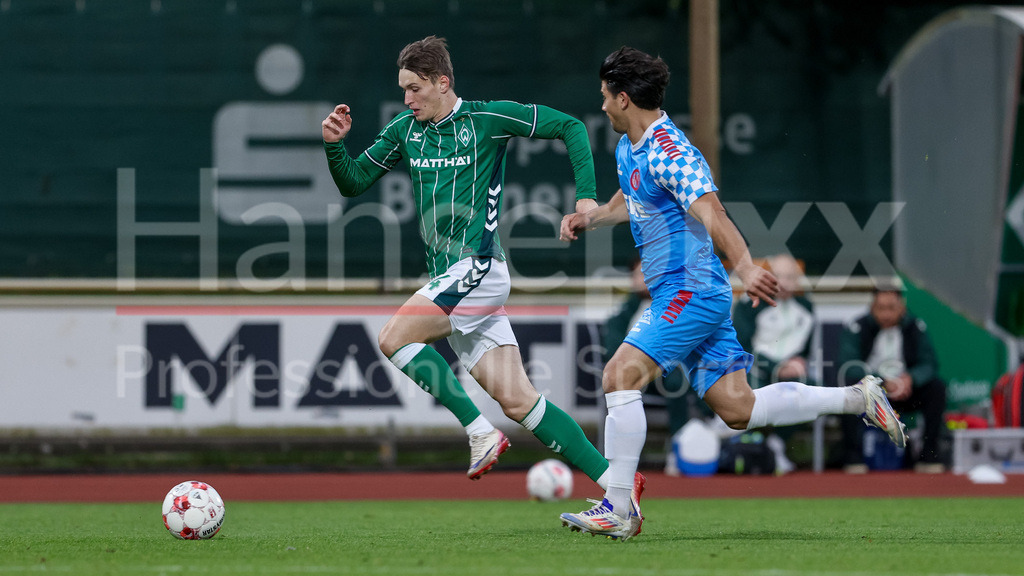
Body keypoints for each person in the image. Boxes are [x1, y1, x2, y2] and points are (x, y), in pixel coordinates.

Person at [557, 46, 907, 540]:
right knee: (738, 409)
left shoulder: (672, 152)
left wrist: (744, 265)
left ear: (624, 99)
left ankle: (618, 506)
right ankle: (857, 399)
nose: (601, 106)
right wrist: (591, 216)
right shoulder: (630, 148)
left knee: (619, 376)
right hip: (690, 295)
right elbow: (630, 196)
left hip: (691, 291)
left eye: (604, 98)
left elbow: (714, 214)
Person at [321, 36, 637, 498]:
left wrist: (586, 195)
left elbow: (570, 126)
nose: (407, 99)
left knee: (393, 337)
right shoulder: (404, 132)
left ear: (442, 82)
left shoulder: (487, 119)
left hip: (479, 268)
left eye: (414, 89)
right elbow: (353, 183)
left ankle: (478, 431)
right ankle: (619, 488)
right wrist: (334, 146)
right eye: (403, 89)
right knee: (518, 400)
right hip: (453, 282)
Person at [837, 286, 948, 473]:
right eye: (881, 308)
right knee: (849, 388)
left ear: (902, 308)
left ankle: (928, 456)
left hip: (906, 392)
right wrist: (881, 381)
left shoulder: (915, 327)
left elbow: (929, 363)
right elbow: (849, 365)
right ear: (872, 308)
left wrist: (911, 379)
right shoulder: (858, 327)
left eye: (891, 308)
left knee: (936, 388)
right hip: (871, 394)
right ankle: (853, 457)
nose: (886, 314)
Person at [732, 253, 817, 472]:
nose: (785, 283)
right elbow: (742, 348)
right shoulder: (749, 303)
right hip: (755, 370)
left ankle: (777, 445)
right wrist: (777, 367)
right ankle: (750, 447)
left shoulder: (807, 307)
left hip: (792, 374)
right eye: (779, 276)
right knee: (746, 387)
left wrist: (797, 363)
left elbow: (805, 350)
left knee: (812, 386)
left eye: (791, 277)